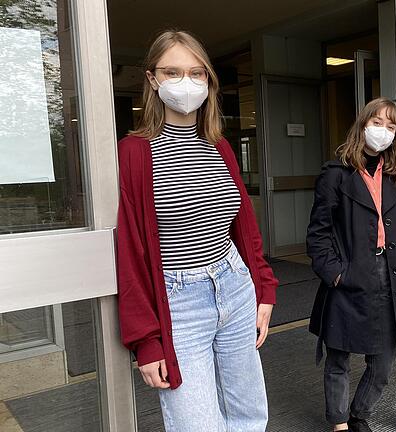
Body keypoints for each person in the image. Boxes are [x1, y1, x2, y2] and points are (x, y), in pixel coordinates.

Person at [116, 30, 277, 432]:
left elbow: (245, 227)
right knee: (196, 424)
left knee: (249, 415)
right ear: (153, 79)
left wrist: (264, 289)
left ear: (209, 81)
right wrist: (145, 340)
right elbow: (130, 250)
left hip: (235, 286)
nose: (185, 83)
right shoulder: (134, 152)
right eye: (172, 72)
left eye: (196, 73)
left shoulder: (219, 145)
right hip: (177, 302)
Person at [306, 97, 396, 432]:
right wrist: (336, 273)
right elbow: (318, 233)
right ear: (362, 124)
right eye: (377, 122)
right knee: (339, 355)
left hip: (390, 275)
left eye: (390, 126)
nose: (383, 131)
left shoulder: (394, 175)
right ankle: (340, 422)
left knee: (384, 359)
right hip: (349, 274)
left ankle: (360, 413)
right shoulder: (335, 174)